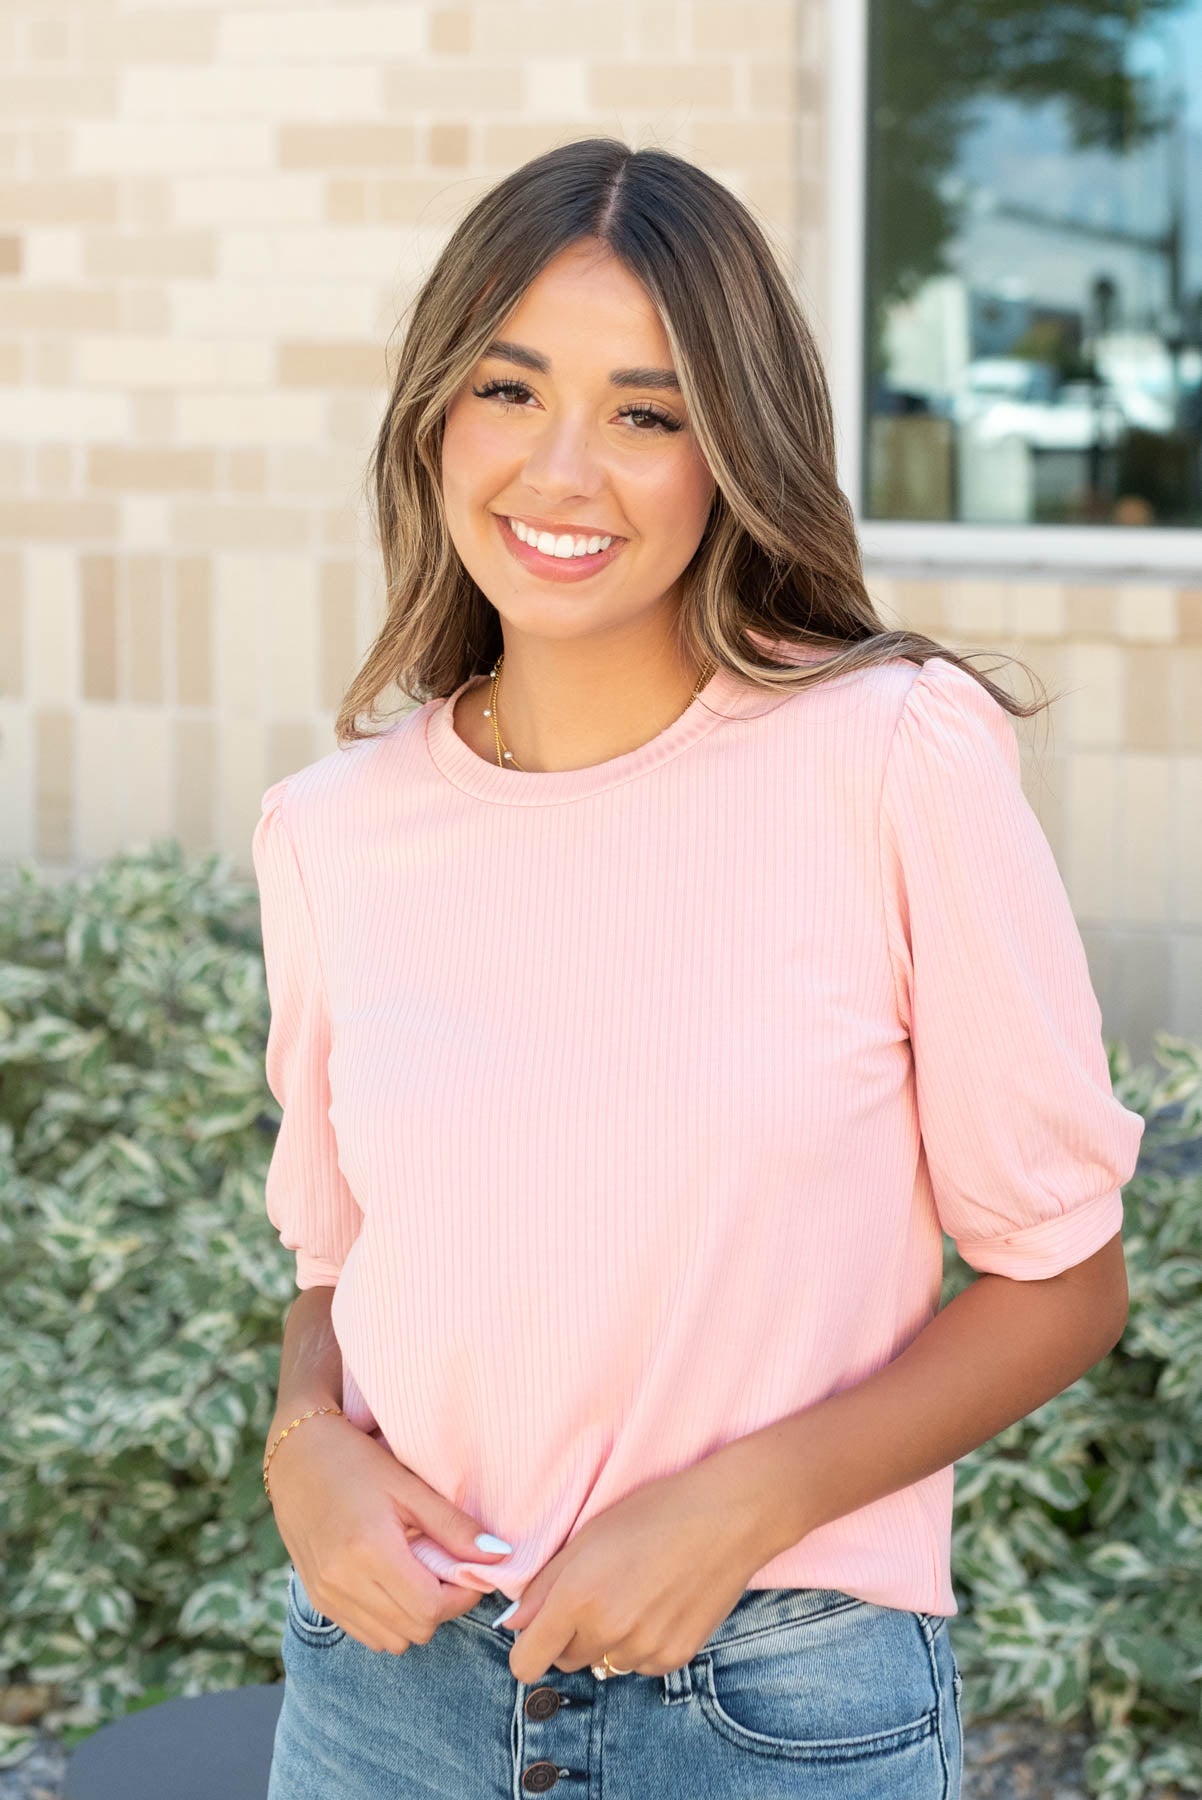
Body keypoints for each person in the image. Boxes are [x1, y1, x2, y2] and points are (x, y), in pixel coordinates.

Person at [253, 137, 1144, 1800]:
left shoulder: (888, 753)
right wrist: (303, 1450)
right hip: (386, 1692)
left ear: (732, 446)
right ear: (434, 416)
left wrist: (733, 1505)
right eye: (508, 391)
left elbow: (1062, 1277)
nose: (562, 470)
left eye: (647, 413)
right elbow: (339, 1270)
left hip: (768, 1699)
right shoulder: (328, 831)